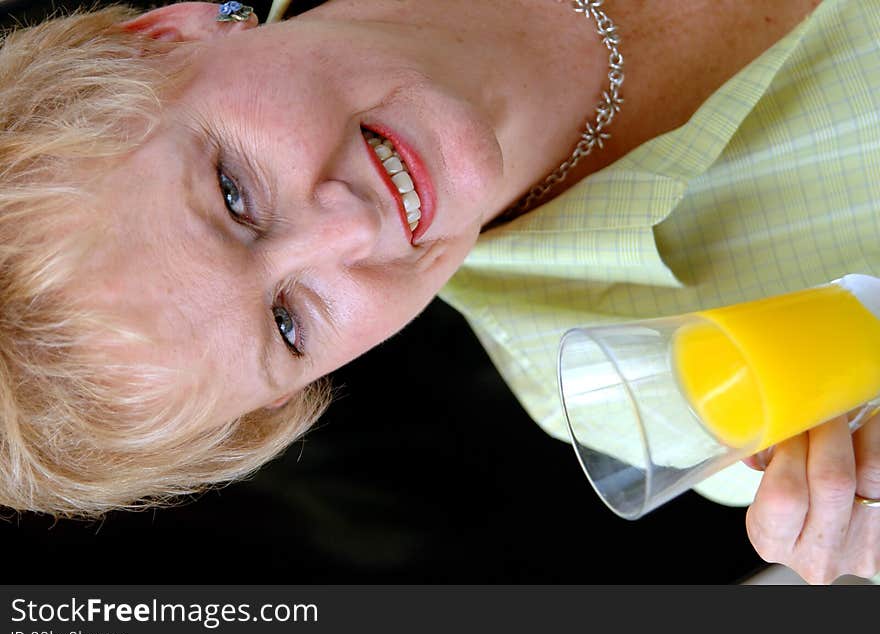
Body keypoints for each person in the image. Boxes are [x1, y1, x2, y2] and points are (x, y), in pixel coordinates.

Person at [0, 0, 877, 584]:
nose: (351, 234)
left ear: (165, 36)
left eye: (235, 195)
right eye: (289, 322)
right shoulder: (675, 393)